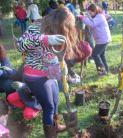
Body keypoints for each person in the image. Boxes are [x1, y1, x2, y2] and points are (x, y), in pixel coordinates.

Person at [16, 7, 79, 137]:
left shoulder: (59, 30)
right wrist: (44, 39)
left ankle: (55, 126)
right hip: (35, 75)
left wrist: (61, 66)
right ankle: (51, 135)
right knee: (48, 107)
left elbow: (53, 53)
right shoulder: (37, 26)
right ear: (56, 21)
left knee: (55, 102)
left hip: (50, 74)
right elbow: (20, 45)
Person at [79, 4, 111, 76]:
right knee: (101, 55)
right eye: (89, 13)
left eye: (90, 13)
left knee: (95, 54)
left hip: (103, 40)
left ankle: (102, 71)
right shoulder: (97, 16)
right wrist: (85, 17)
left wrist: (83, 18)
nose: (90, 14)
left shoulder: (100, 16)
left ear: (95, 11)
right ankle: (106, 70)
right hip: (103, 39)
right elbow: (91, 21)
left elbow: (92, 24)